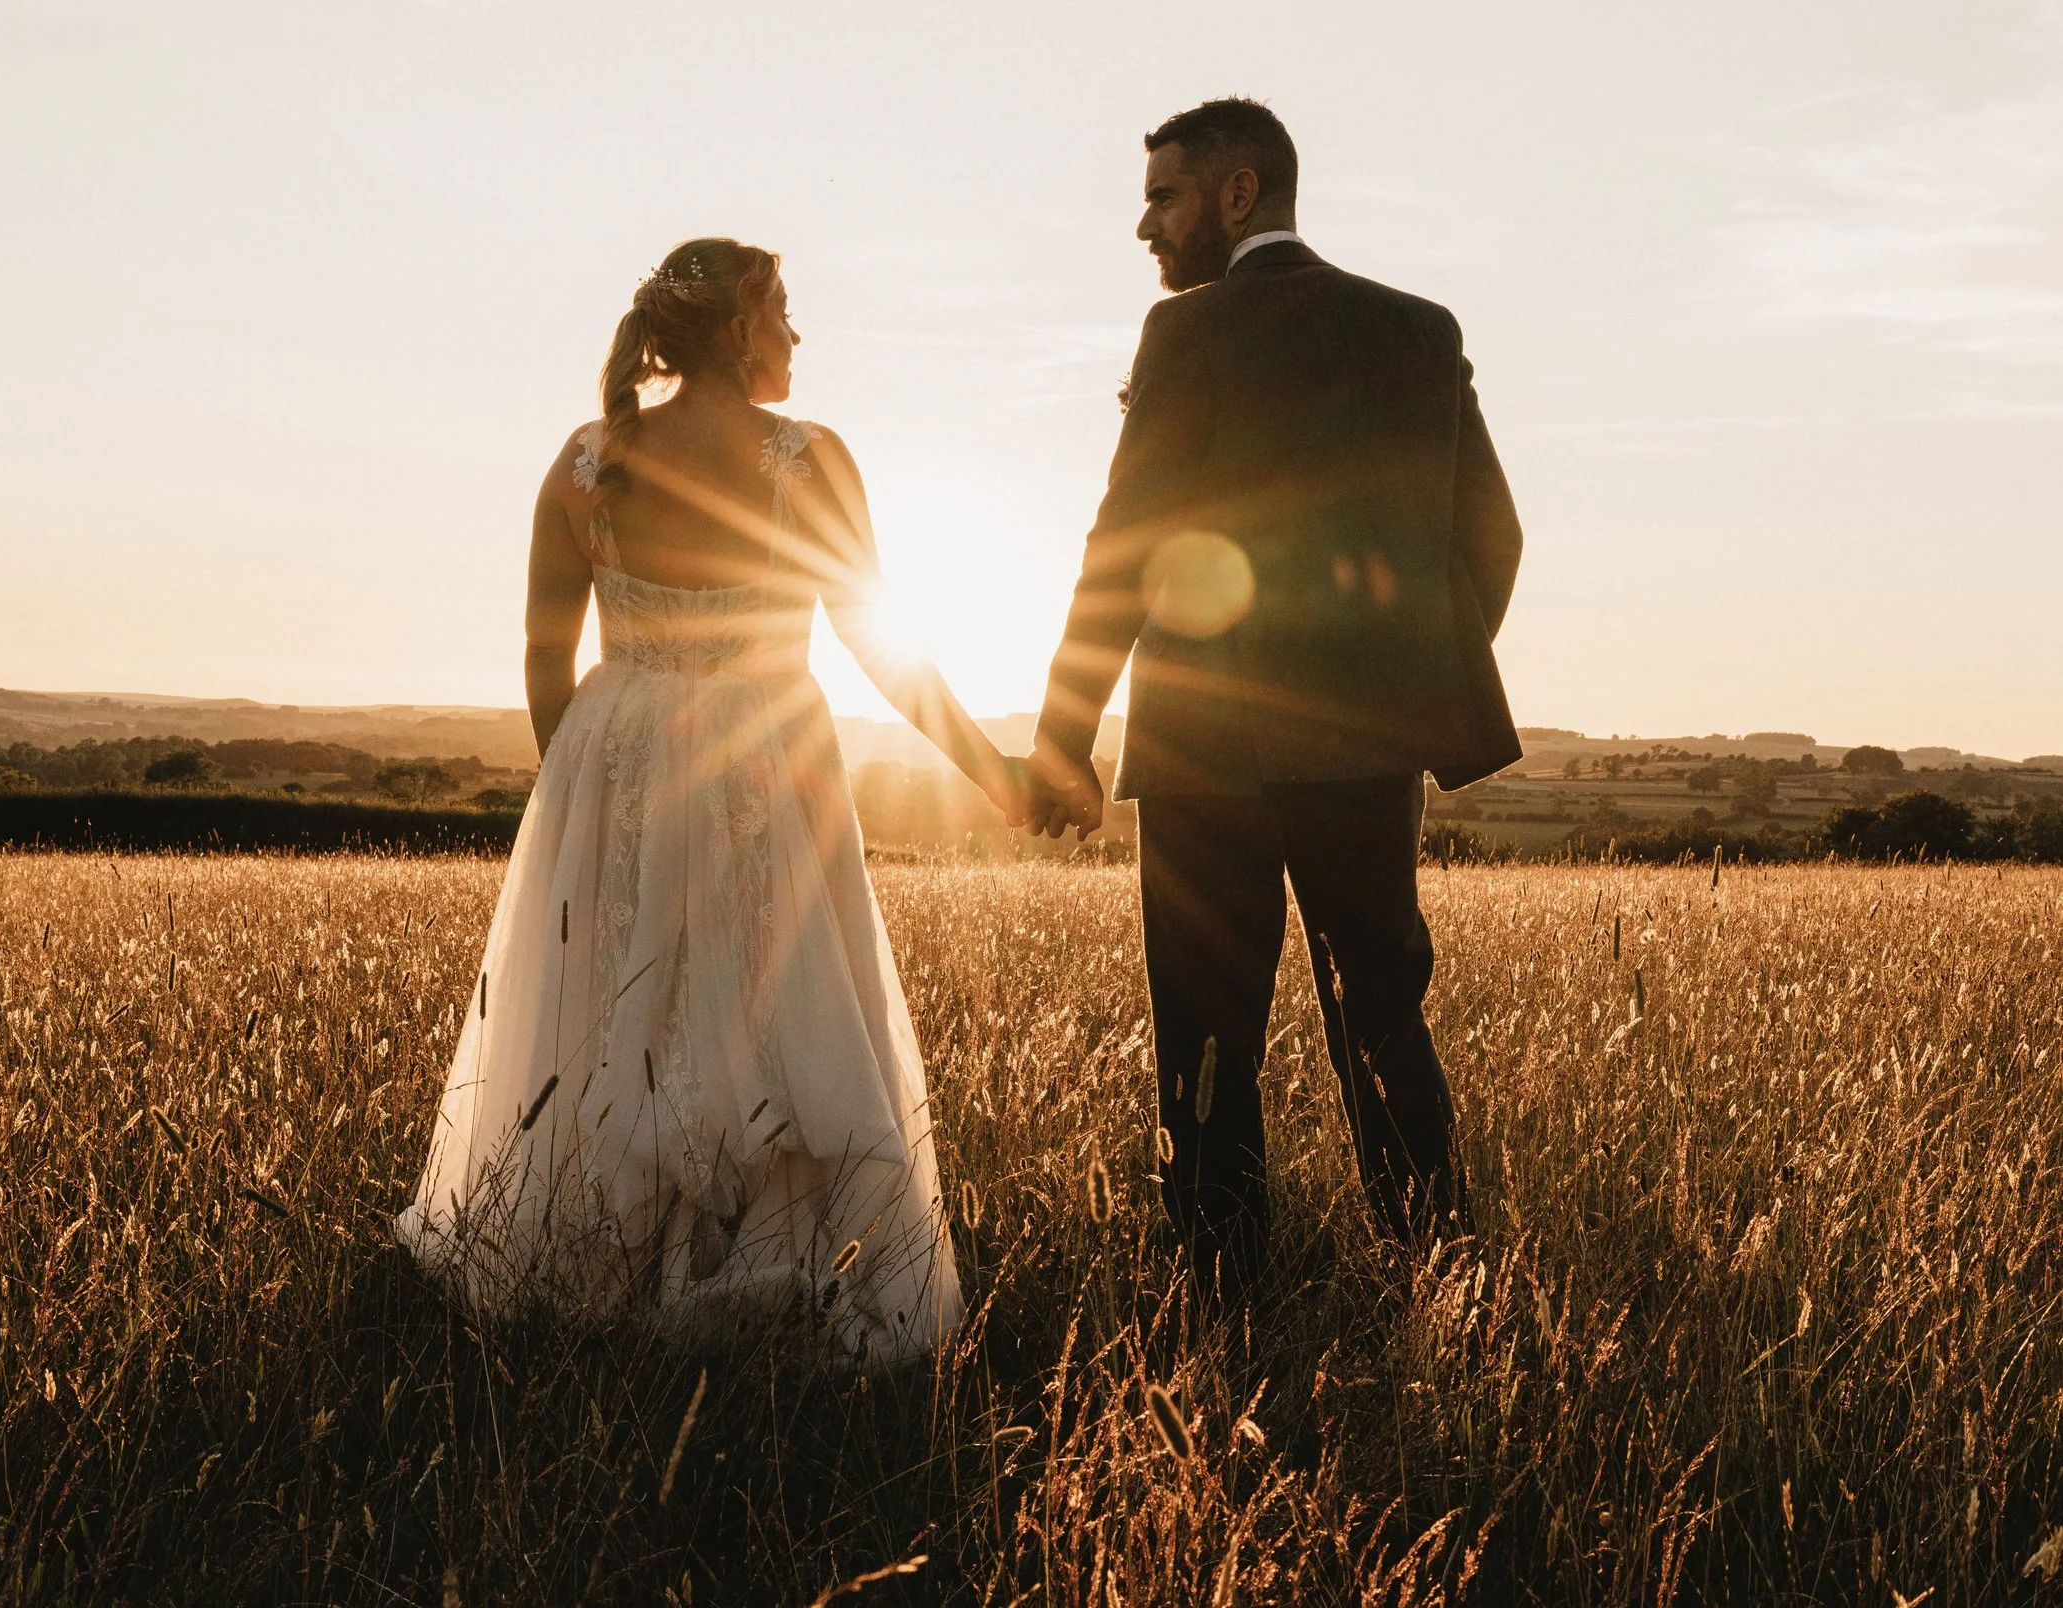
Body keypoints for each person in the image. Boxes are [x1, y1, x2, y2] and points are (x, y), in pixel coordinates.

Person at [397, 238, 1022, 1367]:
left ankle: (617, 1260)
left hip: (614, 757)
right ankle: (766, 1258)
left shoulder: (587, 459)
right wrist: (994, 772)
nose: (796, 337)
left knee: (617, 1007)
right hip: (765, 754)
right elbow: (881, 646)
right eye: (784, 312)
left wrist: (581, 786)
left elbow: (546, 657)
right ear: (740, 330)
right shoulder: (808, 455)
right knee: (771, 1007)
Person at [1024, 98, 1524, 1297]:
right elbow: (1492, 537)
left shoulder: (1184, 332)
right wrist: (1399, 682)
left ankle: (1224, 1287)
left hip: (1203, 746)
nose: (1145, 225)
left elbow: (1122, 546)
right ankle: (1435, 1271)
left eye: (1162, 196)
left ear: (1236, 193)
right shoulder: (1418, 330)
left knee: (1206, 1029)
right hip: (1366, 746)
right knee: (1382, 1012)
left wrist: (1061, 736)